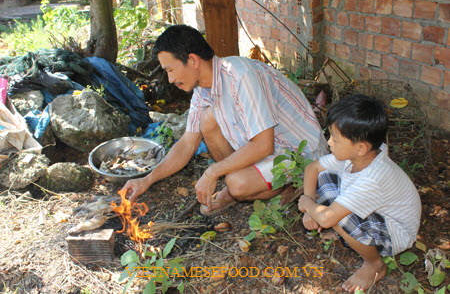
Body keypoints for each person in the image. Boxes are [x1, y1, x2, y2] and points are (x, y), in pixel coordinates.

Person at [122, 24, 327, 215]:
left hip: (300, 152)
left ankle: (291, 184)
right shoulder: (202, 89)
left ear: (193, 60)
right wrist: (146, 180)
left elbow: (264, 145)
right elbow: (187, 144)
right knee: (207, 119)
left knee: (237, 183)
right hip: (270, 147)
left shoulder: (241, 76)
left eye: (170, 70)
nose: (170, 79)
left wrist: (213, 172)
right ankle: (247, 183)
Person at [297, 94, 421, 292]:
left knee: (337, 218)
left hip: (395, 233)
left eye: (335, 139)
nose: (329, 143)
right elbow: (312, 168)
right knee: (324, 177)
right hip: (376, 213)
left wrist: (306, 204)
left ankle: (374, 265)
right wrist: (310, 204)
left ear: (361, 148)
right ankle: (346, 235)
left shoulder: (373, 179)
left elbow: (328, 218)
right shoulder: (360, 155)